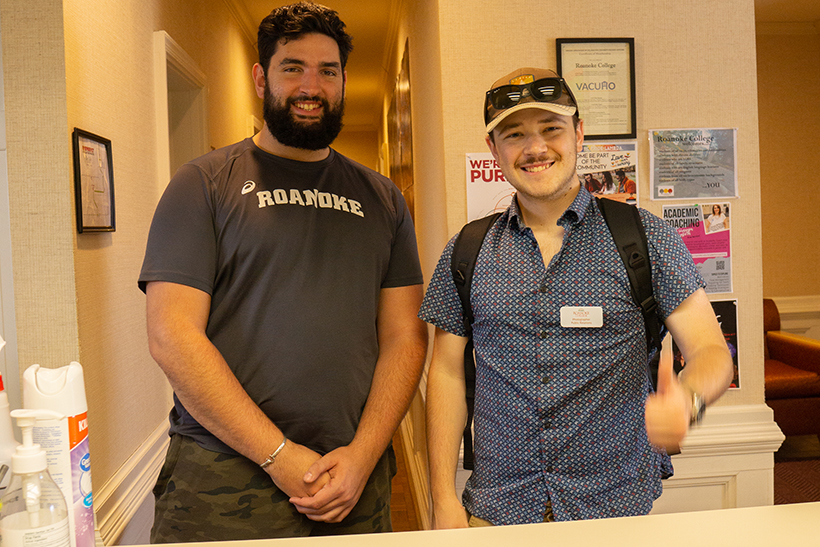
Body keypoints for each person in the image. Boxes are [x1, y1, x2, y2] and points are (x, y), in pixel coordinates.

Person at [138, 2, 427, 541]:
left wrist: (364, 456)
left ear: (343, 80)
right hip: (225, 475)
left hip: (353, 477)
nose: (310, 85)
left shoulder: (383, 199)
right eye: (292, 67)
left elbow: (405, 337)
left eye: (328, 70)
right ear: (260, 77)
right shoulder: (204, 184)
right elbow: (171, 335)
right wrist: (279, 455)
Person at [420, 67, 733, 528]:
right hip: (496, 509)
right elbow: (445, 374)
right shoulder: (466, 250)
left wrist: (687, 400)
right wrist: (442, 499)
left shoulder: (643, 238)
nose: (535, 148)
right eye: (514, 134)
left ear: (579, 133)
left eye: (551, 129)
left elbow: (711, 351)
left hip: (614, 508)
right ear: (494, 149)